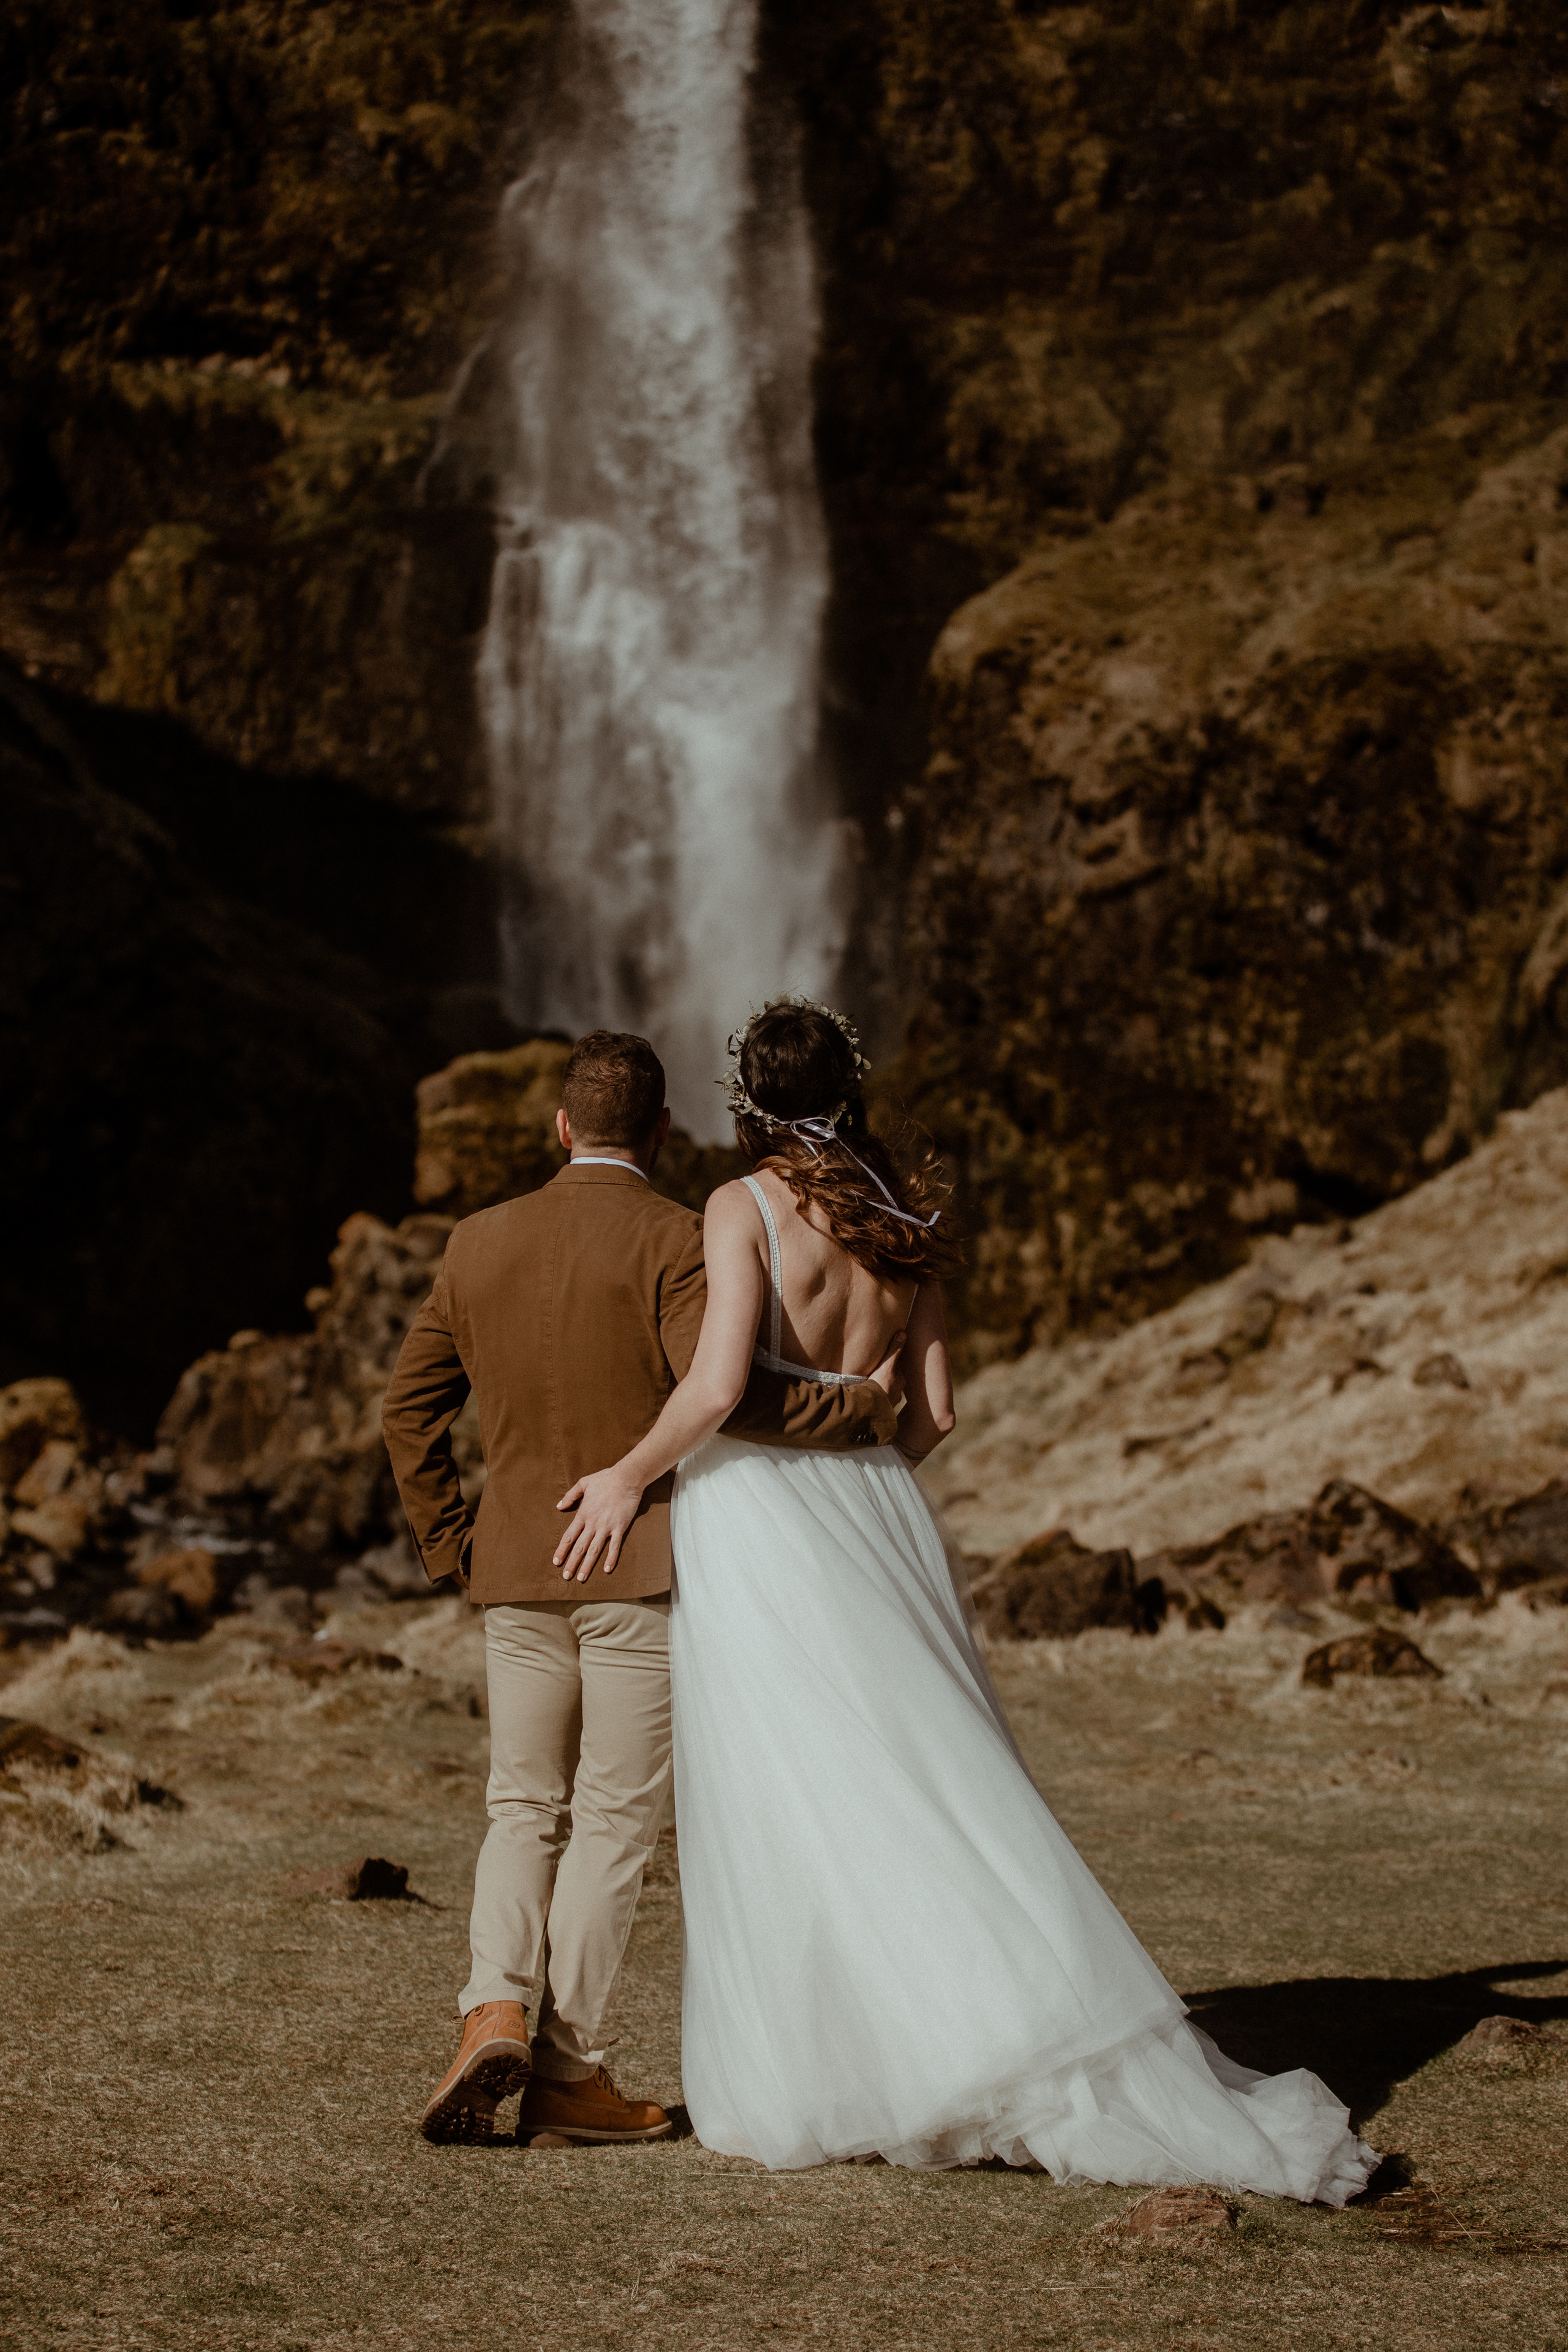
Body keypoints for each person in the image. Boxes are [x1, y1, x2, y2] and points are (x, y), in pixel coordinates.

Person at [554, 998, 1379, 2198]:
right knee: (927, 1772)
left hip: (758, 1520)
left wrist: (627, 1477)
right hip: (875, 1508)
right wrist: (865, 1475)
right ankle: (986, 2023)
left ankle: (834, 2070)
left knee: (794, 1788)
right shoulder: (899, 1215)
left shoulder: (739, 1208)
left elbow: (721, 1382)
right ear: (852, 1090)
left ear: (749, 1107)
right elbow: (934, 1413)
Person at [382, 1028, 900, 2147]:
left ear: (561, 1126)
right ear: (664, 1132)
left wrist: (454, 1544)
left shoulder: (477, 1242)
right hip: (639, 1570)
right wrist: (865, 1408)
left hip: (514, 1569)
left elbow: (406, 1410)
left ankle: (490, 2009)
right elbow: (738, 1399)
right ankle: (569, 2075)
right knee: (614, 1823)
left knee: (522, 1805)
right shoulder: (676, 1237)